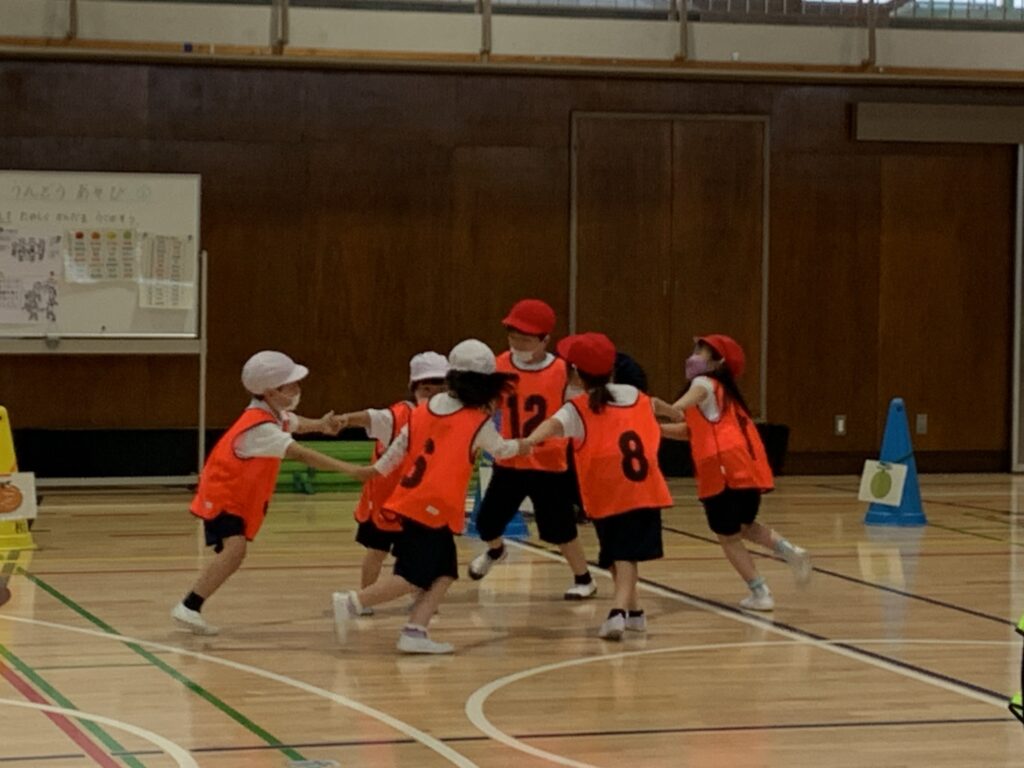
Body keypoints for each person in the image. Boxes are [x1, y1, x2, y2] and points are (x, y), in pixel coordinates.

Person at [333, 339, 527, 654]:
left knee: (445, 572)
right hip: (431, 508)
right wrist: (527, 444)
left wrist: (373, 471)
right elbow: (503, 450)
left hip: (415, 503)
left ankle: (416, 630)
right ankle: (352, 601)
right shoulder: (475, 421)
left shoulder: (423, 411)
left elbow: (398, 449)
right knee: (413, 577)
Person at [171, 350, 365, 635]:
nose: (297, 389)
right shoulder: (259, 428)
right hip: (223, 496)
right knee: (235, 550)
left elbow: (295, 422)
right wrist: (352, 470)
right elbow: (301, 454)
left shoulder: (269, 414)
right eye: (292, 385)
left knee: (235, 551)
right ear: (272, 392)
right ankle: (189, 606)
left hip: (233, 496)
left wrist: (321, 425)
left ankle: (190, 606)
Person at [524, 333, 671, 640]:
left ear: (576, 375)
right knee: (616, 556)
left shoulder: (577, 408)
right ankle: (635, 613)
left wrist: (526, 442)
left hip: (615, 493)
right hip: (640, 489)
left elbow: (550, 425)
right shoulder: (633, 395)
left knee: (624, 556)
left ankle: (617, 613)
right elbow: (658, 405)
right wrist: (678, 415)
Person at [655, 335, 811, 611]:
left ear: (718, 362)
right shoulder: (725, 396)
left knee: (727, 536)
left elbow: (679, 409)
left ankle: (760, 592)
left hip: (723, 472)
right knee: (744, 526)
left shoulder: (704, 384)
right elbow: (691, 431)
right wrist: (656, 429)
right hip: (745, 471)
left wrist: (657, 409)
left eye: (701, 351)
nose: (693, 356)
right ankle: (789, 550)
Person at [468, 298, 596, 599]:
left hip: (549, 464)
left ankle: (584, 578)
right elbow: (487, 406)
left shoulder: (562, 371)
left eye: (525, 339)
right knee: (487, 522)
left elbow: (579, 410)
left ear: (544, 340)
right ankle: (496, 551)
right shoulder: (499, 365)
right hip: (511, 460)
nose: (518, 344)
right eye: (513, 337)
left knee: (560, 530)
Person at [336, 351, 450, 612]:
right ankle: (364, 598)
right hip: (385, 503)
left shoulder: (448, 418)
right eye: (426, 389)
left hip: (419, 504)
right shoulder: (399, 415)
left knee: (419, 553)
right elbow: (369, 416)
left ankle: (420, 597)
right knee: (377, 551)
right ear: (414, 388)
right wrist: (345, 420)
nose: (433, 395)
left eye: (440, 389)